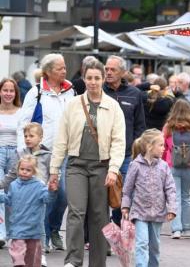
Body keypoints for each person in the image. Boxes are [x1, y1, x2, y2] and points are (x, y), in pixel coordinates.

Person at [49, 59, 126, 267]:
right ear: (84, 78)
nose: (93, 82)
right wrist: (54, 170)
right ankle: (73, 260)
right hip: (76, 166)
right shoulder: (73, 105)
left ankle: (97, 263)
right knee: (76, 212)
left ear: (102, 80)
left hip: (102, 167)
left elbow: (119, 142)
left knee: (99, 216)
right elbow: (61, 140)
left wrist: (113, 169)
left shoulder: (113, 107)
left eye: (97, 78)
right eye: (89, 78)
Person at [17, 53, 75, 252]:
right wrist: (23, 151)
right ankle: (44, 234)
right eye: (60, 68)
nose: (64, 71)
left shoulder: (71, 90)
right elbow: (23, 122)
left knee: (65, 195)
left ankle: (54, 229)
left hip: (66, 151)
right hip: (43, 152)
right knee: (48, 193)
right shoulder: (37, 92)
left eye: (65, 67)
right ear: (49, 71)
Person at [122, 129, 177, 267]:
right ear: (149, 146)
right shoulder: (135, 165)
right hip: (139, 212)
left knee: (154, 246)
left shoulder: (164, 166)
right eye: (161, 145)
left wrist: (171, 208)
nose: (164, 148)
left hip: (158, 213)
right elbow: (127, 189)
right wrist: (125, 206)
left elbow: (170, 189)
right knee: (142, 243)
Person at [0, 122, 51, 266]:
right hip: (22, 195)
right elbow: (12, 174)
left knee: (39, 225)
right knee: (18, 222)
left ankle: (40, 254)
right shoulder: (20, 153)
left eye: (31, 136)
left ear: (40, 138)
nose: (28, 138)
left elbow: (53, 172)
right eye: (25, 136)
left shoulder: (47, 155)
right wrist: (1, 185)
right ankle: (18, 253)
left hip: (38, 196)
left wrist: (51, 186)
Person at [103, 55, 146, 225]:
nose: (108, 72)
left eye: (112, 69)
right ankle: (97, 238)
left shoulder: (134, 94)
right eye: (106, 69)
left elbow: (140, 126)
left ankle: (119, 234)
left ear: (122, 72)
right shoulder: (99, 91)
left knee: (123, 198)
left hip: (126, 156)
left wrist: (136, 152)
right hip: (102, 155)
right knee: (99, 199)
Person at [162, 99, 190, 239]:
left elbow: (163, 147)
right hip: (188, 166)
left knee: (175, 197)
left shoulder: (168, 127)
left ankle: (176, 229)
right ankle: (186, 227)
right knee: (186, 196)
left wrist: (161, 164)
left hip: (172, 165)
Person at [0, 78, 22, 248]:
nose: (8, 94)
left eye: (11, 91)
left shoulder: (21, 112)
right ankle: (1, 233)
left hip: (15, 154)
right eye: (5, 90)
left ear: (15, 93)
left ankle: (11, 232)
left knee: (12, 194)